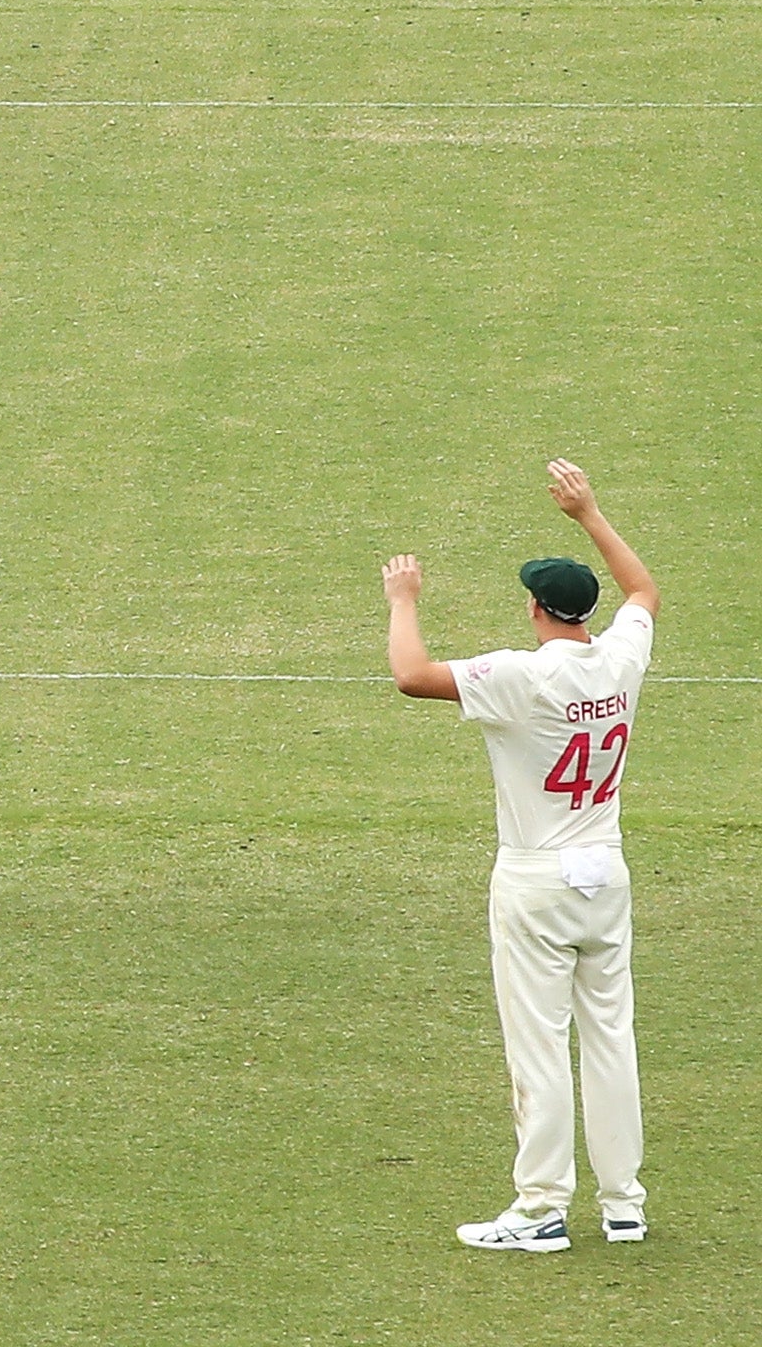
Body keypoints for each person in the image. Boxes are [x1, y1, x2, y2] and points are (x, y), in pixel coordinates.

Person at [381, 458, 656, 1253]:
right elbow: (643, 594)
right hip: (606, 871)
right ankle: (623, 1202)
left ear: (536, 610)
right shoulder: (619, 661)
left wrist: (403, 600)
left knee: (538, 1041)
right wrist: (590, 514)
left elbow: (410, 675)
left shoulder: (520, 677)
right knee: (610, 1034)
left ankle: (540, 1209)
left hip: (536, 876)